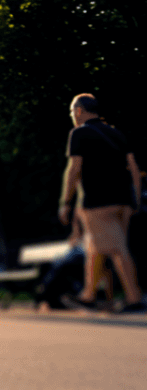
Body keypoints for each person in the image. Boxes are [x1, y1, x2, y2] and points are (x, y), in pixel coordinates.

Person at [58, 94, 145, 313]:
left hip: (98, 202)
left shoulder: (79, 133)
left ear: (78, 111)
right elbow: (133, 169)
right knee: (95, 248)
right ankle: (89, 296)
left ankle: (134, 298)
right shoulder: (116, 133)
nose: (72, 117)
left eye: (71, 112)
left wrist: (66, 201)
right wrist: (134, 199)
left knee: (116, 248)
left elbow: (74, 168)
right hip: (123, 201)